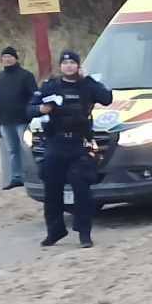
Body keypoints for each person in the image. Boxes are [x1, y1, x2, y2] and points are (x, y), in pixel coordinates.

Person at [29, 50, 113, 247]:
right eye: (65, 63)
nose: (68, 66)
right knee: (52, 190)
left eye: (72, 63)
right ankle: (55, 231)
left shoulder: (87, 85)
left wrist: (89, 79)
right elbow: (29, 109)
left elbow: (107, 98)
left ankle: (84, 233)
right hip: (55, 144)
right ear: (60, 66)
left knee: (81, 188)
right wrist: (40, 109)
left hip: (78, 145)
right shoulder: (51, 86)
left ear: (78, 66)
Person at [0, 46, 39, 190]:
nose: (7, 59)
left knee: (27, 149)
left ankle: (33, 176)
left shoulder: (26, 76)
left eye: (10, 56)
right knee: (12, 150)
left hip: (23, 120)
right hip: (5, 120)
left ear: (16, 58)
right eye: (4, 57)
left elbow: (34, 96)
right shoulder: (0, 77)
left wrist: (31, 114)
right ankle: (16, 177)